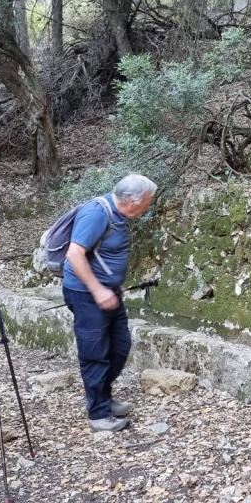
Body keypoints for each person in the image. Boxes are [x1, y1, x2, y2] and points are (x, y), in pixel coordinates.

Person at [62, 174, 157, 433]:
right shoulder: (96, 213)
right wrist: (97, 289)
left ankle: (102, 396)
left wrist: (113, 284)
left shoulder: (120, 216)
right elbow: (74, 254)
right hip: (86, 294)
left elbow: (104, 254)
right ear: (130, 200)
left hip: (109, 291)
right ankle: (98, 413)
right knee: (95, 353)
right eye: (146, 202)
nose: (148, 206)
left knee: (120, 346)